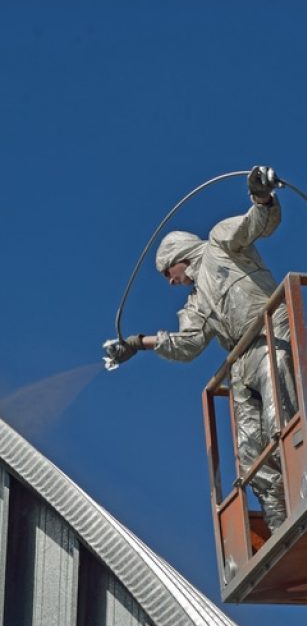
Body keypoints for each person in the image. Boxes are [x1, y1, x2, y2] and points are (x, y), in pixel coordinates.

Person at [109, 166, 296, 532]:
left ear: (178, 256)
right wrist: (139, 343)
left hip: (269, 335)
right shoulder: (195, 305)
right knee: (248, 454)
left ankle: (304, 493)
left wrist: (262, 197)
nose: (170, 282)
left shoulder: (220, 242)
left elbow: (256, 224)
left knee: (280, 423)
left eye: (167, 272)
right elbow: (189, 345)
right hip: (240, 361)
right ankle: (282, 525)